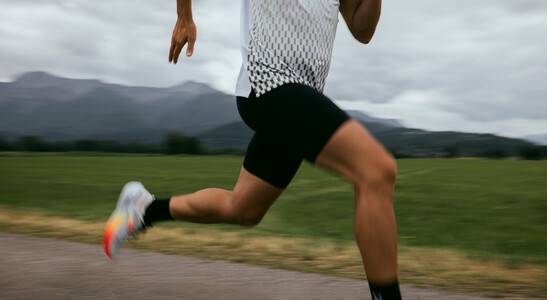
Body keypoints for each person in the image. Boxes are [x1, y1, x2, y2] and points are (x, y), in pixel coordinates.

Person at [103, 0, 401, 299]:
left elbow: (362, 29)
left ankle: (142, 208)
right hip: (268, 82)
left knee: (244, 209)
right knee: (375, 170)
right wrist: (184, 16)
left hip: (303, 93)